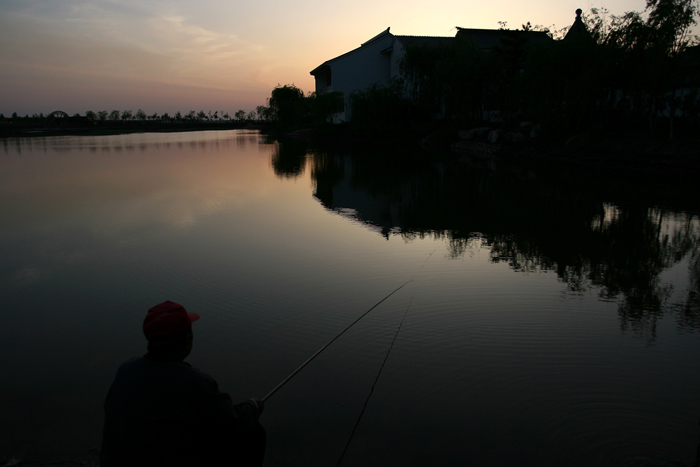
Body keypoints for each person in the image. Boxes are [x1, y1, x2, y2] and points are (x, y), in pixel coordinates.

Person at [100, 301, 265, 467]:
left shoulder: (126, 370)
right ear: (187, 339)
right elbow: (234, 424)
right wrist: (254, 406)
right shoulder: (197, 383)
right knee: (254, 433)